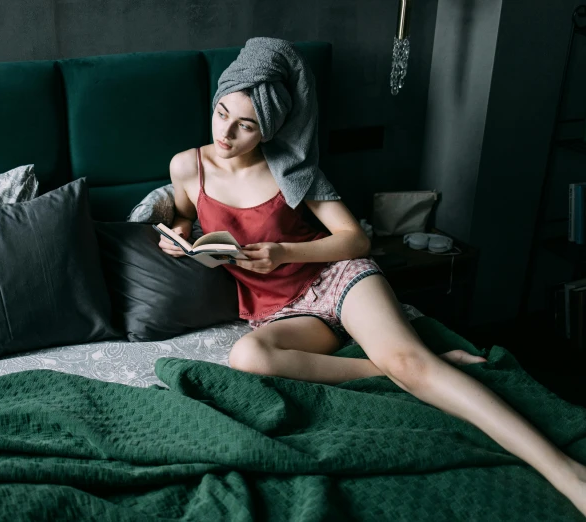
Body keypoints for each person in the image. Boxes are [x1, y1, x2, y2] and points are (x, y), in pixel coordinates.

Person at [157, 38, 586, 516]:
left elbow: (355, 240)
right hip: (279, 311)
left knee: (413, 365)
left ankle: (567, 472)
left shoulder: (292, 170)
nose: (227, 133)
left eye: (246, 125)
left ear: (270, 128)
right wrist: (177, 234)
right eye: (222, 114)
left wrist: (284, 252)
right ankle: (395, 368)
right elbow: (181, 215)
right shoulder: (186, 166)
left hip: (337, 278)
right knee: (248, 357)